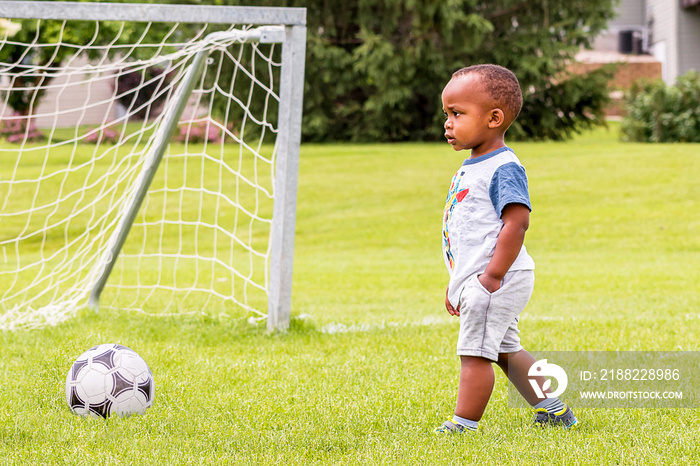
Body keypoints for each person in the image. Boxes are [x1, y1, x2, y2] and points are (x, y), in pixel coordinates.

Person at [435, 64, 577, 433]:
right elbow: (470, 234)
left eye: (457, 113)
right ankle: (555, 410)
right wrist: (459, 284)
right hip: (482, 279)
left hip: (498, 277)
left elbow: (517, 222)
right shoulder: (472, 165)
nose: (448, 123)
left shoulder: (504, 167)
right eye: (446, 114)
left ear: (494, 118)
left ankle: (463, 425)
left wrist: (491, 276)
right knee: (503, 349)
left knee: (474, 354)